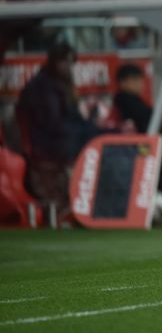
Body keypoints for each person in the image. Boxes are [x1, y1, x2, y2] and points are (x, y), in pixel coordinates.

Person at [16, 42, 99, 220]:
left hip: (65, 135)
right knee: (94, 138)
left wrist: (90, 122)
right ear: (54, 61)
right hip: (48, 142)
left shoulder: (62, 84)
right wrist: (86, 128)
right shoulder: (41, 86)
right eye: (64, 61)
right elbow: (52, 123)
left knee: (102, 135)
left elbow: (72, 118)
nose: (68, 67)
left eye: (71, 62)